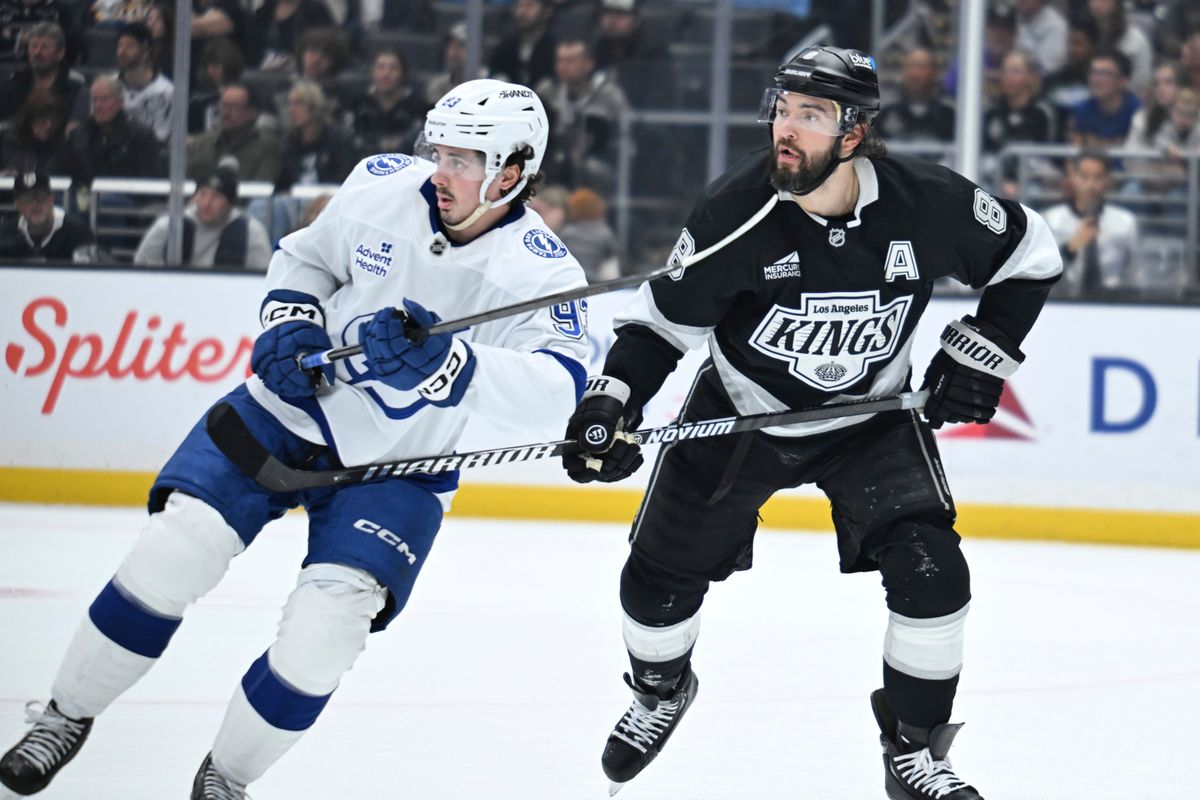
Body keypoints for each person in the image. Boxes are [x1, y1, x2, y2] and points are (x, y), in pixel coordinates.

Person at [0, 78, 589, 800]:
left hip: (400, 463)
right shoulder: (380, 185)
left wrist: (451, 367)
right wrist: (291, 320)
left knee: (326, 634)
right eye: (439, 152)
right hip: (287, 410)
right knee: (173, 550)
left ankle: (227, 778)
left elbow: (559, 389)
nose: (440, 171)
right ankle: (63, 716)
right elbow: (306, 259)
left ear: (511, 172)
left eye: (462, 161)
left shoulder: (540, 270)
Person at [561, 46, 1062, 799]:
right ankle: (660, 691)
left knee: (935, 576)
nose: (786, 129)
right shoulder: (734, 210)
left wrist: (981, 356)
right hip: (742, 416)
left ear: (854, 133)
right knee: (655, 582)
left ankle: (914, 750)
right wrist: (612, 399)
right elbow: (662, 324)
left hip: (870, 420)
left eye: (812, 115)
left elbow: (1032, 254)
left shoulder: (925, 202)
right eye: (783, 109)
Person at [134, 164, 272, 270]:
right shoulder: (169, 226)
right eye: (202, 194)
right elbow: (141, 268)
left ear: (230, 203)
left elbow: (263, 277)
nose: (206, 203)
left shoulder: (250, 231)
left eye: (217, 197)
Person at [1041, 147, 1138, 298]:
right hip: (1064, 303)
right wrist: (1070, 249)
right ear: (1073, 178)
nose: (1091, 185)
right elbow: (1040, 275)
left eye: (1098, 177)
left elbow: (1135, 275)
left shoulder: (1125, 222)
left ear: (1108, 180)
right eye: (1084, 177)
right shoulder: (1051, 220)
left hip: (1115, 304)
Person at [186, 83, 282, 183]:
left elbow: (262, 186)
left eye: (234, 107)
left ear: (253, 112)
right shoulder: (201, 143)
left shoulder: (268, 146)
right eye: (223, 105)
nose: (226, 113)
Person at [0, 169, 96, 262]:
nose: (35, 204)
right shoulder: (5, 233)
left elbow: (88, 270)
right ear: (18, 205)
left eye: (41, 196)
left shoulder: (78, 232)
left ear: (52, 198)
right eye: (27, 199)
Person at [872, 47, 956, 144]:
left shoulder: (948, 118)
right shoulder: (886, 116)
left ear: (933, 73)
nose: (915, 74)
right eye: (910, 67)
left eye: (921, 67)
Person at [115, 20, 175, 143]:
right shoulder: (109, 86)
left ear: (146, 52)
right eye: (120, 45)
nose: (122, 51)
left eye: (130, 46)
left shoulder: (165, 91)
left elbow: (161, 135)